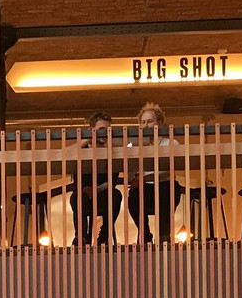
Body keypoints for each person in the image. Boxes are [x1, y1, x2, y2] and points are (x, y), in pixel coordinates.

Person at [125, 102, 182, 243]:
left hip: (163, 186)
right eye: (143, 122)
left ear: (160, 123)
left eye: (150, 121)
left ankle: (164, 234)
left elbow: (167, 170)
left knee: (170, 187)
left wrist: (143, 179)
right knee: (133, 195)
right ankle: (145, 235)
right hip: (144, 189)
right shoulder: (135, 145)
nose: (145, 126)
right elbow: (130, 175)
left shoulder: (171, 143)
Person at [70, 111, 121, 246]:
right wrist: (86, 139)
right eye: (101, 130)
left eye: (108, 130)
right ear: (92, 130)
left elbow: (113, 181)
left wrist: (97, 189)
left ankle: (104, 234)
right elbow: (65, 154)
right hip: (83, 193)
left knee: (116, 195)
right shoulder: (81, 151)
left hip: (103, 193)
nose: (105, 134)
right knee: (76, 197)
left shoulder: (112, 152)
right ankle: (82, 237)